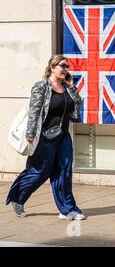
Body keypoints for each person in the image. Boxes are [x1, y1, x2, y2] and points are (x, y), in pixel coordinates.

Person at [5, 55, 85, 220]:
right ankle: (17, 198)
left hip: (63, 136)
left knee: (64, 172)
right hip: (44, 136)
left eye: (67, 67)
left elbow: (77, 107)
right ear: (52, 67)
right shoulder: (41, 86)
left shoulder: (68, 88)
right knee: (39, 171)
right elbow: (34, 111)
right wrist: (30, 132)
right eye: (62, 66)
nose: (65, 69)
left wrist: (72, 88)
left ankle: (68, 209)